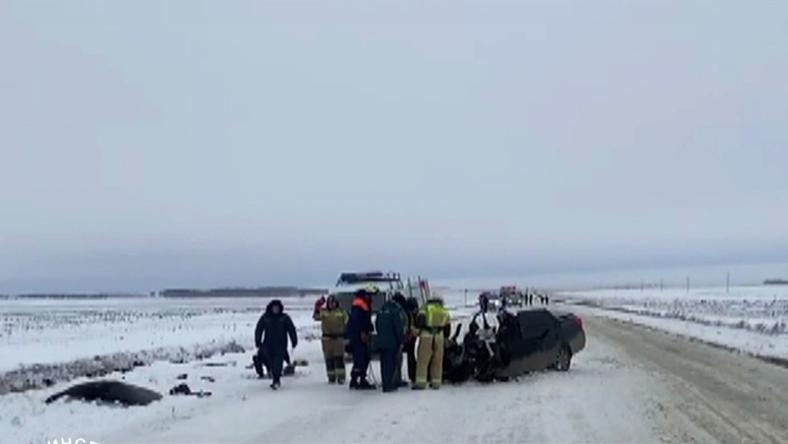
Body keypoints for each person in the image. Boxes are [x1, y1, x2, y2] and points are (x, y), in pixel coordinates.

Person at [254, 299, 298, 390]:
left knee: (277, 363)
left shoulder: (284, 318)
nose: (275, 309)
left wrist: (294, 340)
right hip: (267, 344)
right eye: (274, 308)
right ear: (270, 308)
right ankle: (265, 372)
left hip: (280, 345)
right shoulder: (265, 317)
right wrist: (258, 340)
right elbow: (259, 329)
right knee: (263, 358)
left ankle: (276, 380)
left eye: (277, 308)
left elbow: (291, 329)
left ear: (280, 308)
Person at [413, 296, 451, 390]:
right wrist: (446, 337)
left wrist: (415, 332)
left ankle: (421, 382)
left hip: (426, 336)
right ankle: (436, 383)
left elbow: (419, 322)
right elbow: (447, 326)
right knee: (437, 361)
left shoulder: (425, 309)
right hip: (439, 336)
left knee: (423, 361)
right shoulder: (443, 310)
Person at [345, 289, 375, 390]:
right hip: (358, 336)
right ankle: (356, 379)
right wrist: (363, 331)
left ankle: (359, 378)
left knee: (363, 358)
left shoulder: (362, 304)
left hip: (358, 335)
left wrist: (369, 327)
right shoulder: (360, 305)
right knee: (361, 358)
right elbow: (359, 321)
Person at [375, 295, 405, 392]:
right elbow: (398, 328)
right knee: (390, 363)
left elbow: (377, 324)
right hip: (391, 342)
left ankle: (385, 383)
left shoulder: (381, 311)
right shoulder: (395, 311)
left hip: (381, 341)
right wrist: (401, 340)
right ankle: (389, 385)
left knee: (383, 364)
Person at [319, 295, 348, 384]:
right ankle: (331, 377)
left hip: (338, 338)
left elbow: (347, 322)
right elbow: (316, 316)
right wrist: (318, 306)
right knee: (329, 359)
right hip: (327, 339)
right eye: (330, 303)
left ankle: (341, 377)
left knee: (339, 358)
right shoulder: (324, 312)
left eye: (333, 302)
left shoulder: (342, 312)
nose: (332, 304)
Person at [402, 296, 420, 384]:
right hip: (408, 338)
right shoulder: (406, 314)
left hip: (411, 338)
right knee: (411, 356)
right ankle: (413, 375)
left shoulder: (408, 313)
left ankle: (413, 375)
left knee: (411, 356)